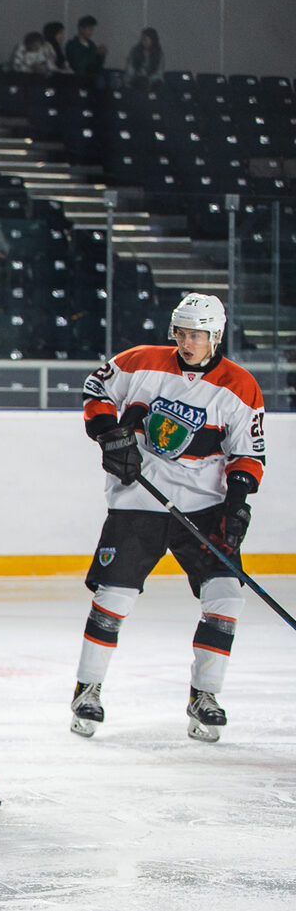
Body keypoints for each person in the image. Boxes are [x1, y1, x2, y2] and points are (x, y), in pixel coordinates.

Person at [71, 293, 265, 744]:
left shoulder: (240, 385)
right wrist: (109, 435)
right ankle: (88, 690)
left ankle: (205, 695)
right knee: (115, 595)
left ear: (216, 336)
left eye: (198, 335)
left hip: (206, 503)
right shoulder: (140, 360)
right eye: (181, 333)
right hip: (139, 498)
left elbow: (248, 453)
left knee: (225, 599)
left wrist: (237, 500)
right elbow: (96, 390)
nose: (188, 342)